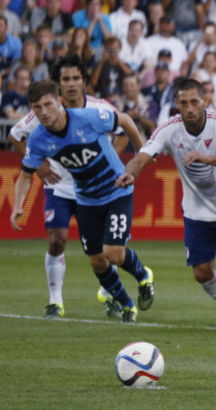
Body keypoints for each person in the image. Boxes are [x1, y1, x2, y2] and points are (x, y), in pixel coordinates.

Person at [116, 78, 216, 330]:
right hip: (197, 212)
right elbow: (142, 156)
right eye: (184, 103)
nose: (189, 108)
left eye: (195, 102)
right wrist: (129, 174)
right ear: (176, 103)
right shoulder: (169, 128)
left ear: (205, 102)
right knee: (201, 273)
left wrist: (207, 158)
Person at [10, 79, 155, 324]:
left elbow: (127, 121)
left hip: (116, 191)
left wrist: (143, 153)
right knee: (97, 261)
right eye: (37, 108)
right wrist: (17, 206)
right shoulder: (37, 139)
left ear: (58, 101)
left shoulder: (88, 117)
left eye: (47, 105)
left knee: (113, 254)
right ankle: (127, 305)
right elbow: (25, 174)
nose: (44, 112)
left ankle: (143, 274)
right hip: (86, 200)